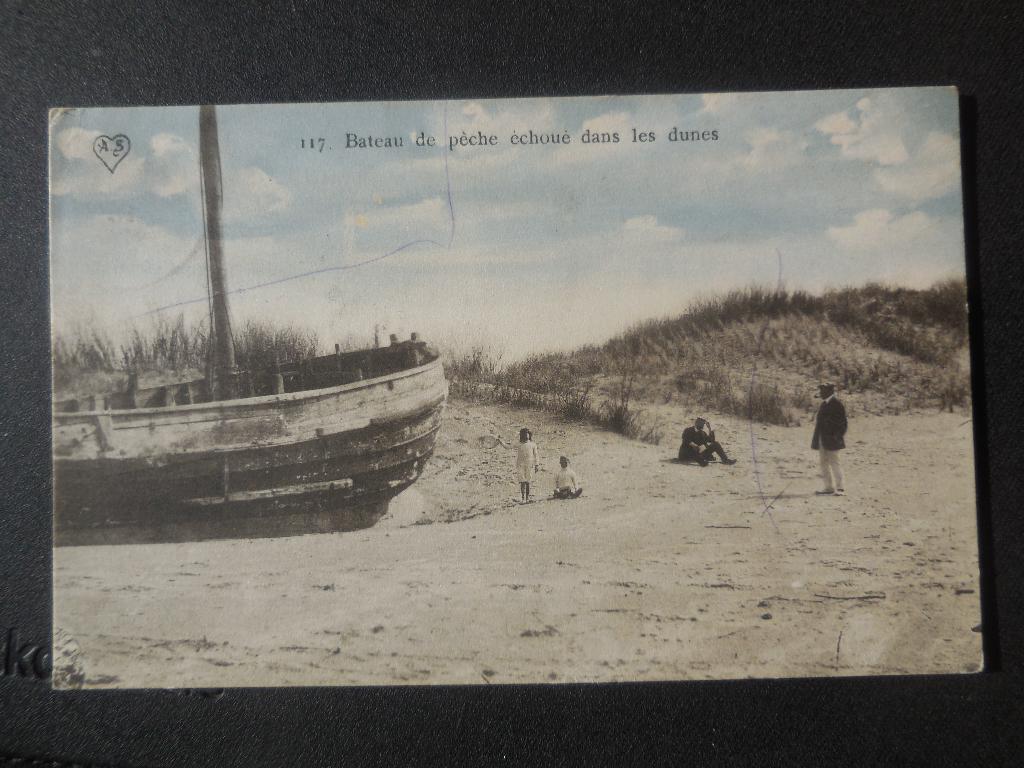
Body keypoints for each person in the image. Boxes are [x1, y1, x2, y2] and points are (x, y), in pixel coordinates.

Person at [811, 382, 847, 496]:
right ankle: (828, 487)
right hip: (823, 438)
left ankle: (840, 488)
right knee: (824, 463)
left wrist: (836, 436)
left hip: (832, 439)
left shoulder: (837, 404)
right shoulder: (825, 404)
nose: (820, 393)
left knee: (834, 462)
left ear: (829, 392)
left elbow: (843, 424)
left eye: (822, 391)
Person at [516, 427, 540, 502]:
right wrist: (500, 441)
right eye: (525, 434)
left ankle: (527, 497)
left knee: (528, 481)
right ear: (522, 435)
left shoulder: (533, 444)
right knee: (522, 481)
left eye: (528, 434)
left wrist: (537, 465)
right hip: (520, 464)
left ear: (530, 435)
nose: (527, 436)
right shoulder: (519, 444)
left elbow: (536, 455)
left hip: (530, 464)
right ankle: (523, 498)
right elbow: (507, 446)